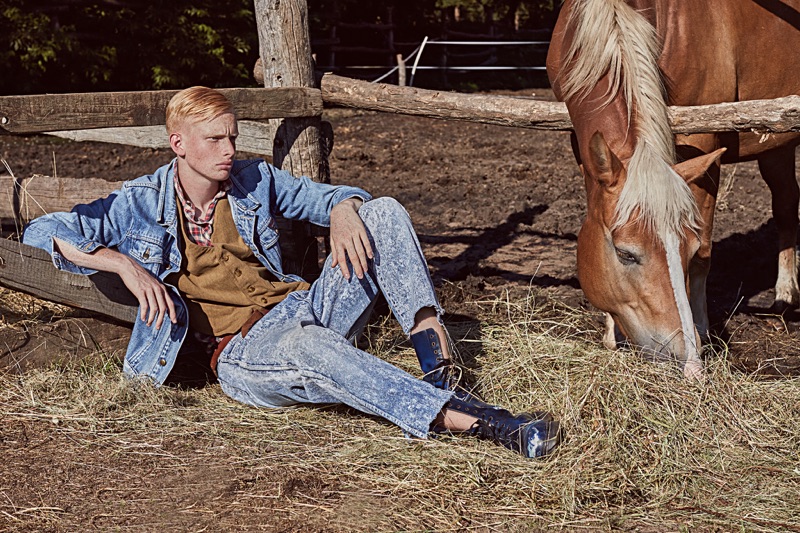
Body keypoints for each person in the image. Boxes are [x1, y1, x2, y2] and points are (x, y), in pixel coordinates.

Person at [22, 86, 561, 459]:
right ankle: (475, 421)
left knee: (385, 211)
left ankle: (439, 363)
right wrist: (119, 262)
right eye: (215, 140)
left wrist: (345, 210)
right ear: (178, 143)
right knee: (311, 350)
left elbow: (328, 197)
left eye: (233, 137)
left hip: (303, 306)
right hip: (241, 353)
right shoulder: (139, 203)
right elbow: (41, 233)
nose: (230, 151)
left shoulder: (254, 179)